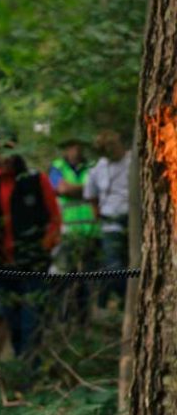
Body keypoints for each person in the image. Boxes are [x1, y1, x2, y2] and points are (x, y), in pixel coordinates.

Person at [0, 130, 62, 359]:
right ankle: (20, 365)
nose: (4, 155)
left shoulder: (35, 179)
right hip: (3, 266)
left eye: (8, 148)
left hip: (33, 263)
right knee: (13, 320)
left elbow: (54, 218)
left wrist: (44, 247)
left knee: (32, 319)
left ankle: (33, 367)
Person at [48, 137, 98, 319]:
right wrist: (87, 189)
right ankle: (62, 317)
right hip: (66, 231)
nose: (75, 150)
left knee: (86, 280)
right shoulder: (57, 167)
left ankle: (83, 320)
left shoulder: (92, 166)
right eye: (71, 146)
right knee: (63, 277)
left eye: (78, 146)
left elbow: (98, 189)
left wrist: (77, 189)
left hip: (90, 231)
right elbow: (62, 189)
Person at [84, 129, 131, 306]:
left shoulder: (132, 160)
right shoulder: (98, 168)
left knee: (134, 263)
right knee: (114, 267)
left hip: (133, 220)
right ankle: (123, 299)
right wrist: (98, 215)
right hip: (110, 222)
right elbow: (91, 195)